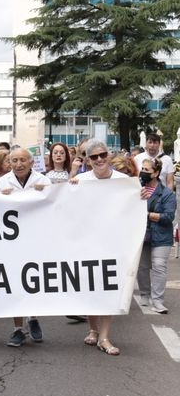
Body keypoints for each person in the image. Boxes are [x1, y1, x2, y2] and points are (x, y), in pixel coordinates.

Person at [69, 138, 133, 355]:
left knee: (109, 289)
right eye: (94, 157)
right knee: (91, 288)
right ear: (87, 160)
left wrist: (140, 196)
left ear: (109, 155)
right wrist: (68, 187)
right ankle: (93, 329)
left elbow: (132, 207)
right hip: (87, 244)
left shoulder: (124, 181)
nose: (99, 160)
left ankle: (104, 336)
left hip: (114, 245)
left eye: (102, 155)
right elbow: (66, 206)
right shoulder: (81, 180)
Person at [0, 147, 51, 347]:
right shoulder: (2, 182)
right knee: (15, 282)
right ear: (9, 163)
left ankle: (33, 317)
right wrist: (0, 196)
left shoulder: (43, 181)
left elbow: (53, 206)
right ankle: (18, 328)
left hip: (36, 239)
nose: (19, 164)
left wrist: (44, 193)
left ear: (31, 162)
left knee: (33, 280)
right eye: (14, 160)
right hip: (12, 241)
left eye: (22, 160)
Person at [137, 157, 175, 314]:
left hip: (161, 236)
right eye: (142, 169)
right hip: (142, 235)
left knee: (159, 267)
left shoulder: (167, 194)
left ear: (156, 173)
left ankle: (158, 300)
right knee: (142, 267)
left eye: (147, 170)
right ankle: (144, 295)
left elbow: (168, 217)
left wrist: (147, 214)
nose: (143, 172)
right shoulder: (137, 189)